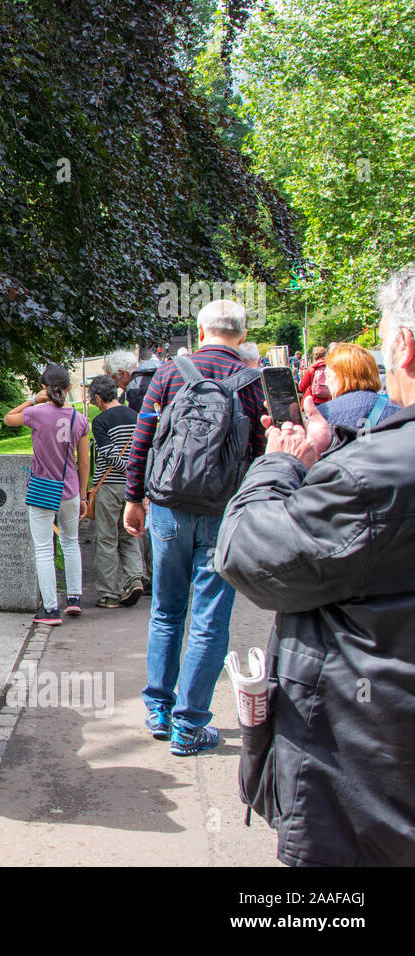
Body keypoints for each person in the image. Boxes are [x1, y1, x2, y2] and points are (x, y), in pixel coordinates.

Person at [214, 264, 415, 865]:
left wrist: (281, 463)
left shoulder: (373, 475)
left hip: (363, 789)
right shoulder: (371, 466)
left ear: (405, 346)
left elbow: (248, 553)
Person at [123, 299, 266, 755]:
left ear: (200, 331)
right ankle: (189, 725)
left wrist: (133, 498)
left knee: (166, 610)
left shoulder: (168, 373)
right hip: (222, 509)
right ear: (240, 337)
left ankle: (158, 711)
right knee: (210, 619)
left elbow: (143, 435)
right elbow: (260, 451)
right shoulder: (249, 381)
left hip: (166, 506)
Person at [4, 365, 90, 626]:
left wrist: (31, 400)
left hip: (43, 488)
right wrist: (84, 496)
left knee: (43, 549)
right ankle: (74, 598)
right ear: (67, 388)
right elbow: (84, 462)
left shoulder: (36, 414)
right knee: (71, 542)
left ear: (45, 388)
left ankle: (50, 609)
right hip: (71, 490)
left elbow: (8, 418)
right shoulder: (79, 419)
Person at [86, 375, 143, 608]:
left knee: (107, 539)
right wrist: (135, 473)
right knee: (129, 535)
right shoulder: (136, 417)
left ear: (99, 398)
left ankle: (109, 595)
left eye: (93, 400)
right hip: (133, 488)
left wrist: (126, 468)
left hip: (109, 486)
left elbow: (108, 455)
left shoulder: (100, 421)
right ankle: (134, 579)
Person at [315, 342, 398, 428]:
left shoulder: (323, 415)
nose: (326, 383)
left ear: (343, 376)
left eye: (328, 376)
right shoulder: (396, 410)